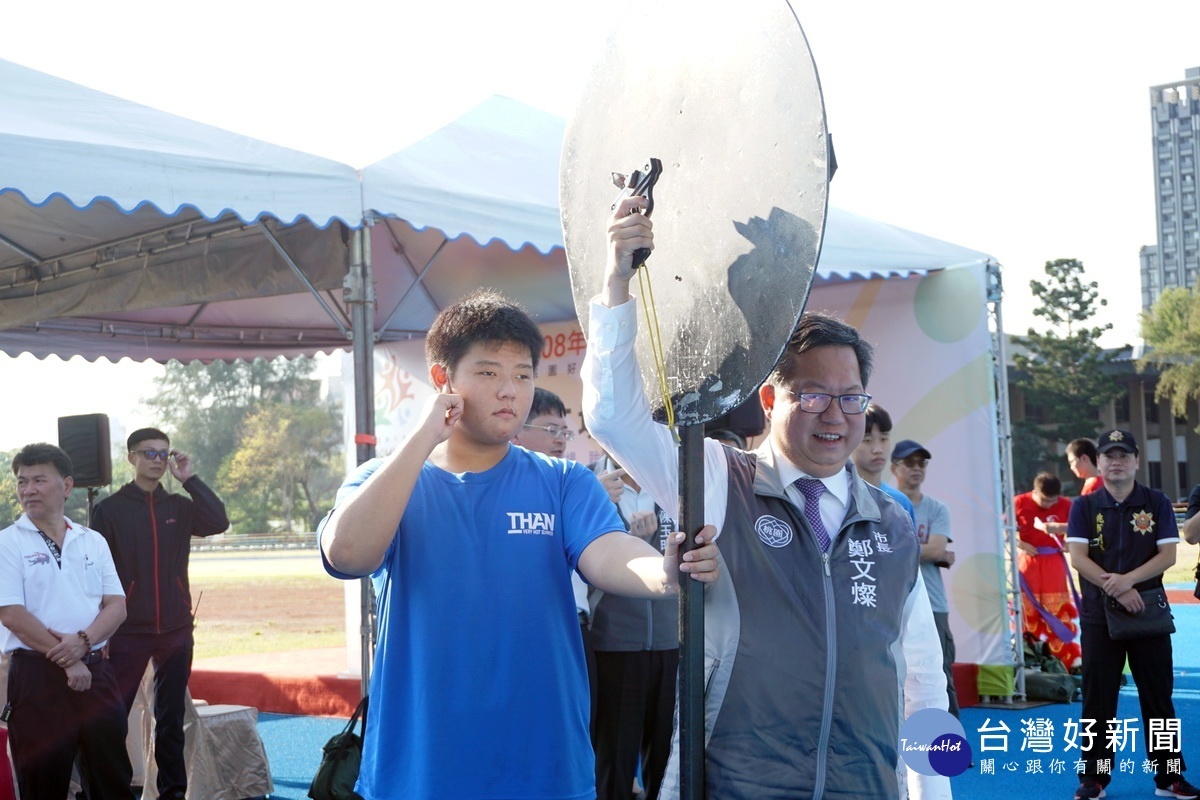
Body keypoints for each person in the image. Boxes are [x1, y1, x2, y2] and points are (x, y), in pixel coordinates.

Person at [583, 199, 951, 799]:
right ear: (771, 400)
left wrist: (935, 793)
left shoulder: (894, 524)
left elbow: (924, 684)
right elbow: (614, 418)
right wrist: (617, 280)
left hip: (866, 787)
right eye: (813, 396)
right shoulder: (718, 480)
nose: (835, 416)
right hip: (740, 785)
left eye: (851, 398)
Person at [318, 289, 719, 800]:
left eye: (523, 375)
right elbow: (348, 554)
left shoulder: (563, 481)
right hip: (420, 767)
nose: (510, 390)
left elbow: (607, 553)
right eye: (488, 373)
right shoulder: (384, 481)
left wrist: (666, 573)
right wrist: (422, 439)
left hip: (544, 765)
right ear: (443, 380)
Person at [90, 428, 229, 800]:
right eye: (149, 453)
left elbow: (218, 522)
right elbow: (95, 574)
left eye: (164, 454)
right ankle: (116, 791)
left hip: (175, 629)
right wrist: (99, 631)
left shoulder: (181, 508)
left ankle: (172, 794)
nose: (157, 460)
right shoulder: (109, 509)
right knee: (113, 717)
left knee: (170, 721)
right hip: (127, 631)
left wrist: (190, 479)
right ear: (131, 457)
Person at [1066, 429, 1199, 800]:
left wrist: (1128, 583)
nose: (1117, 462)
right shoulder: (1085, 506)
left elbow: (1168, 556)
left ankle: (1168, 776)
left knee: (1159, 698)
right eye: (1109, 456)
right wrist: (1117, 588)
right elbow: (1078, 558)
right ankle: (1094, 778)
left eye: (1124, 455)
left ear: (1137, 461)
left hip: (1147, 614)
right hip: (1099, 616)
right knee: (1098, 700)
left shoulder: (1155, 502)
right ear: (1099, 462)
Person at [0, 443, 135, 799]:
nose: (28, 490)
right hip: (37, 680)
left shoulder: (92, 540)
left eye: (39, 480)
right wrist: (69, 658)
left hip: (97, 677)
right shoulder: (7, 543)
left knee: (112, 780)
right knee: (43, 784)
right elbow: (11, 614)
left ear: (67, 485)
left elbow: (117, 606)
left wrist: (84, 643)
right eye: (22, 481)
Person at [588, 452, 678, 800]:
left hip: (674, 638)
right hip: (614, 641)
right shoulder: (586, 483)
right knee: (615, 758)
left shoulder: (675, 480)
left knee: (669, 758)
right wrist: (628, 542)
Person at [511, 387, 600, 732]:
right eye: (550, 430)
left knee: (577, 727)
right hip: (529, 634)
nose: (561, 439)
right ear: (517, 430)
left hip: (575, 628)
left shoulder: (574, 483)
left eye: (564, 431)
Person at [891, 439, 959, 719]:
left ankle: (948, 747)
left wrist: (895, 546)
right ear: (895, 468)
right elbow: (932, 551)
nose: (916, 468)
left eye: (922, 463)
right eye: (910, 463)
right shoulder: (886, 502)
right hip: (892, 601)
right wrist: (931, 552)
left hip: (932, 602)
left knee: (939, 675)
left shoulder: (937, 508)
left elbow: (937, 548)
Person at [1013, 472, 1081, 671]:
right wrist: (1020, 543)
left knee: (1057, 609)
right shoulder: (1018, 502)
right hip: (1028, 562)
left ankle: (1067, 659)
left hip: (1054, 562)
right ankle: (1028, 658)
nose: (1049, 505)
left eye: (1053, 501)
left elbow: (1079, 529)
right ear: (1034, 492)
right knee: (1027, 611)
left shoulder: (1067, 504)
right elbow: (1001, 529)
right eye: (1044, 500)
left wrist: (1069, 543)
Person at [851, 402, 915, 524]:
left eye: (884, 439)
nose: (878, 449)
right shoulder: (839, 498)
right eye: (867, 440)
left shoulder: (900, 503)